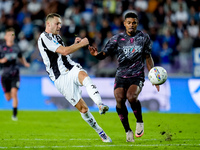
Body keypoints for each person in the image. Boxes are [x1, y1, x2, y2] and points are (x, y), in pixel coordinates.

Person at [37, 13, 112, 142]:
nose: (60, 26)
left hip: (71, 68)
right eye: (57, 23)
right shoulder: (44, 38)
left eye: (60, 23)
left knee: (85, 77)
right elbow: (64, 51)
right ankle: (100, 132)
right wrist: (81, 44)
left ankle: (100, 104)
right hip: (60, 78)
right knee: (83, 109)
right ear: (48, 24)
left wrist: (74, 43)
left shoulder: (57, 37)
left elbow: (64, 53)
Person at [88, 12, 160, 142]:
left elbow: (148, 57)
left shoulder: (144, 38)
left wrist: (153, 75)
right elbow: (104, 54)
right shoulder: (117, 39)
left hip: (137, 75)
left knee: (131, 97)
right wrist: (96, 54)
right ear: (124, 24)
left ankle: (139, 121)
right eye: (129, 23)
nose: (131, 25)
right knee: (119, 99)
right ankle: (128, 130)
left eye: (134, 23)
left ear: (137, 23)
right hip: (121, 75)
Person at [0, 28, 30, 121]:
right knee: (8, 98)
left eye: (12, 35)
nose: (11, 37)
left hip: (15, 74)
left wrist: (25, 63)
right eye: (9, 35)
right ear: (5, 37)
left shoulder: (16, 47)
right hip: (5, 75)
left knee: (14, 94)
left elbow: (21, 57)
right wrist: (2, 61)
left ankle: (14, 115)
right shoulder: (1, 48)